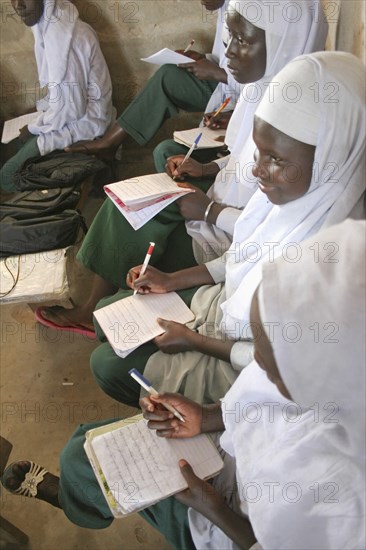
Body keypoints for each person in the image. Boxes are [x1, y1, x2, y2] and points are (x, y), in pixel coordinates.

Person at [2, 218, 365, 550]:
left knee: (83, 463)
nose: (258, 368)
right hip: (227, 455)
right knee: (89, 448)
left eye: (271, 361)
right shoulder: (329, 371)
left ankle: (71, 500)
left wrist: (215, 509)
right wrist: (206, 417)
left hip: (226, 521)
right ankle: (81, 495)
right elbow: (261, 400)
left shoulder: (346, 492)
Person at [85, 52, 366, 408]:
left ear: (331, 155)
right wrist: (172, 280)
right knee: (108, 317)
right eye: (260, 154)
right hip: (224, 304)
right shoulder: (292, 197)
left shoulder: (334, 265)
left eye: (275, 159)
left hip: (241, 366)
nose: (255, 171)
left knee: (107, 364)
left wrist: (195, 341)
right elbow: (239, 255)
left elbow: (281, 371)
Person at [35, 0, 328, 334]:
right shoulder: (262, 89)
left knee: (135, 213)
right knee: (133, 202)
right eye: (230, 39)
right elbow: (241, 158)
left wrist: (211, 211)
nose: (228, 53)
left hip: (231, 238)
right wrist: (206, 172)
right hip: (221, 210)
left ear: (282, 40)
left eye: (242, 41)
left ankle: (102, 303)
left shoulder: (299, 121)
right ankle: (104, 298)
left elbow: (271, 230)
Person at [65, 0, 240, 161]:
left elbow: (263, 86)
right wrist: (201, 59)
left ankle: (108, 143)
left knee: (167, 150)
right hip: (226, 85)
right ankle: (110, 142)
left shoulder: (253, 11)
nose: (202, 2)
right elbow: (226, 59)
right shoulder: (226, 7)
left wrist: (216, 73)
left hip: (240, 94)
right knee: (169, 74)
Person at [0, 0, 115, 193]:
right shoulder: (52, 23)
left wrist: (33, 127)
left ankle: (74, 182)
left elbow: (71, 109)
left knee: (7, 178)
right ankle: (58, 178)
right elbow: (61, 92)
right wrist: (38, 110)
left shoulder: (63, 38)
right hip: (77, 116)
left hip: (87, 124)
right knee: (21, 143)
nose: (18, 5)